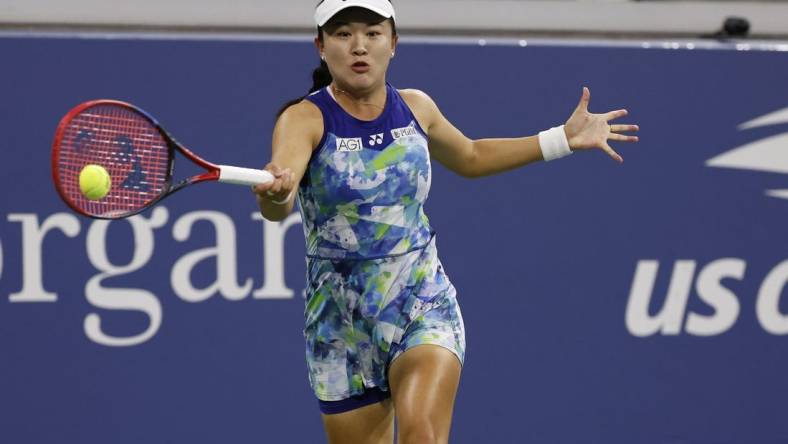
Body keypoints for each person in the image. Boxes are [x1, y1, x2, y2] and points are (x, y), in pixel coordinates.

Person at [252, 1, 639, 443]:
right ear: (321, 46)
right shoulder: (303, 119)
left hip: (420, 301)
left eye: (373, 33)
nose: (359, 46)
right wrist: (276, 194)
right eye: (342, 34)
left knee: (422, 435)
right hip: (341, 327)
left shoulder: (417, 107)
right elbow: (278, 203)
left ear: (393, 44)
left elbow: (470, 156)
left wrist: (561, 140)